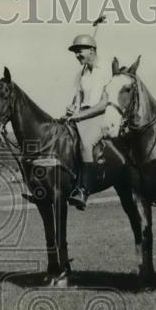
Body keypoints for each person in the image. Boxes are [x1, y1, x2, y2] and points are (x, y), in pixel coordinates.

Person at [64, 33, 121, 210]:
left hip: (101, 115)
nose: (77, 55)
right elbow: (77, 99)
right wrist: (72, 109)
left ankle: (83, 190)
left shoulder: (106, 67)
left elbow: (105, 101)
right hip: (82, 115)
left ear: (92, 50)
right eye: (75, 52)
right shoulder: (81, 73)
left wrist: (81, 115)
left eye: (80, 51)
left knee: (86, 145)